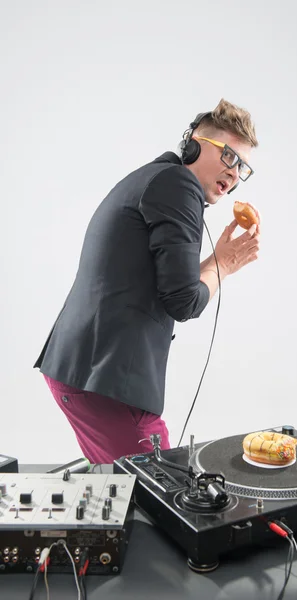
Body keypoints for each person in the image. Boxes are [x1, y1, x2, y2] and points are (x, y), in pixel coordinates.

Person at [34, 98, 260, 464]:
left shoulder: (157, 178)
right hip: (105, 384)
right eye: (229, 157)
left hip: (81, 373)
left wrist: (217, 261)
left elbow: (171, 284)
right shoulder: (179, 186)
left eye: (243, 167)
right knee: (165, 496)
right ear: (193, 145)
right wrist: (223, 265)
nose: (235, 174)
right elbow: (184, 302)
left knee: (133, 499)